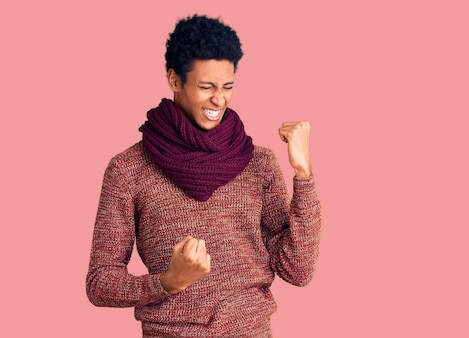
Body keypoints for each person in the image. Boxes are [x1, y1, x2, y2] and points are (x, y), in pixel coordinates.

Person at [86, 15, 321, 337]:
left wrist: (303, 174)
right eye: (206, 86)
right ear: (174, 80)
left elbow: (297, 271)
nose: (219, 99)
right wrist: (169, 282)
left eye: (228, 87)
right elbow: (100, 283)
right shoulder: (128, 170)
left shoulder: (260, 163)